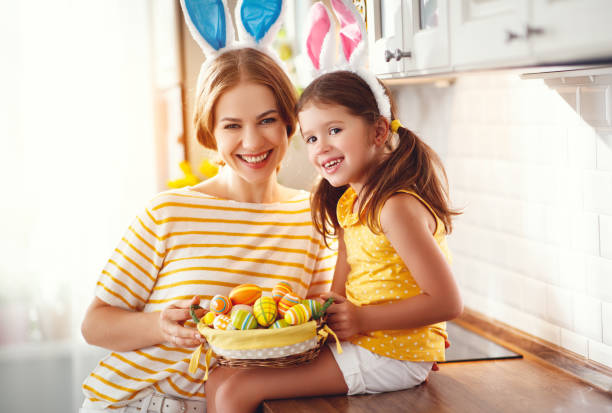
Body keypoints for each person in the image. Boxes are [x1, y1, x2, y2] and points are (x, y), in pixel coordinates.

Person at [78, 45, 336, 412]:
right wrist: (160, 327)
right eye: (232, 125)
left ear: (289, 123)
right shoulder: (169, 212)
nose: (252, 142)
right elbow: (94, 325)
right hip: (137, 403)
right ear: (210, 132)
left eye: (267, 120)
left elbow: (317, 325)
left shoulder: (312, 217)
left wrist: (395, 355)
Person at [203, 64, 464, 413]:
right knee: (222, 377)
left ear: (378, 131)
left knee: (238, 391)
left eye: (335, 130)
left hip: (394, 354)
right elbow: (338, 291)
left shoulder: (395, 207)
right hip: (365, 342)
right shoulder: (350, 203)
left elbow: (447, 303)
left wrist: (361, 320)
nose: (321, 147)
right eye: (311, 138)